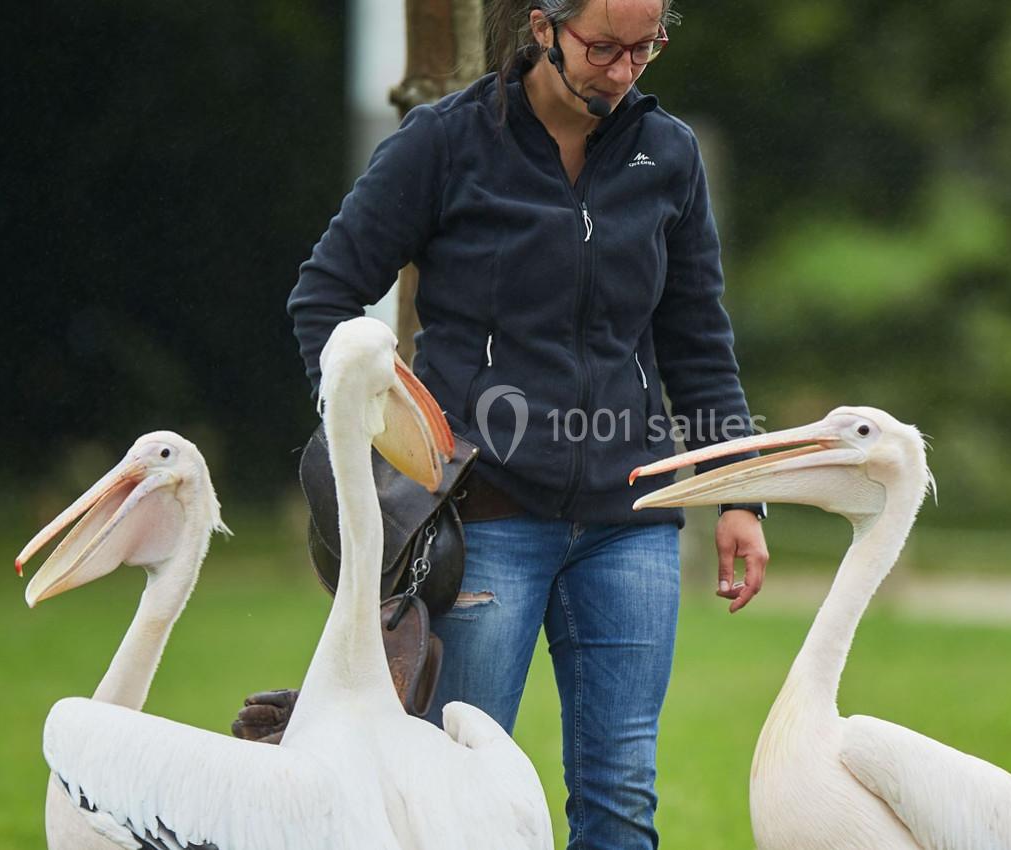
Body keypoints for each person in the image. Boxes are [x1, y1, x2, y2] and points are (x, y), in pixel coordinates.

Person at [286, 1, 768, 846]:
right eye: (602, 48)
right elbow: (323, 297)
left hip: (633, 523)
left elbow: (697, 337)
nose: (623, 72)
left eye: (646, 48)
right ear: (544, 29)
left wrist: (739, 495)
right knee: (450, 799)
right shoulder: (443, 143)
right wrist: (383, 449)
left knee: (622, 795)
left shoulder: (671, 155)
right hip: (484, 522)